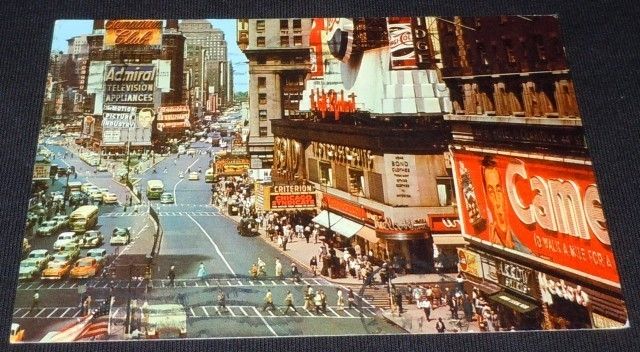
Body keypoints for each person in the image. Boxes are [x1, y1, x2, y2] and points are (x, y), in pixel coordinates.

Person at [481, 156, 531, 253]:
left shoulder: (525, 248)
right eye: (491, 192)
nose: (497, 202)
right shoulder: (488, 240)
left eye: (499, 190)